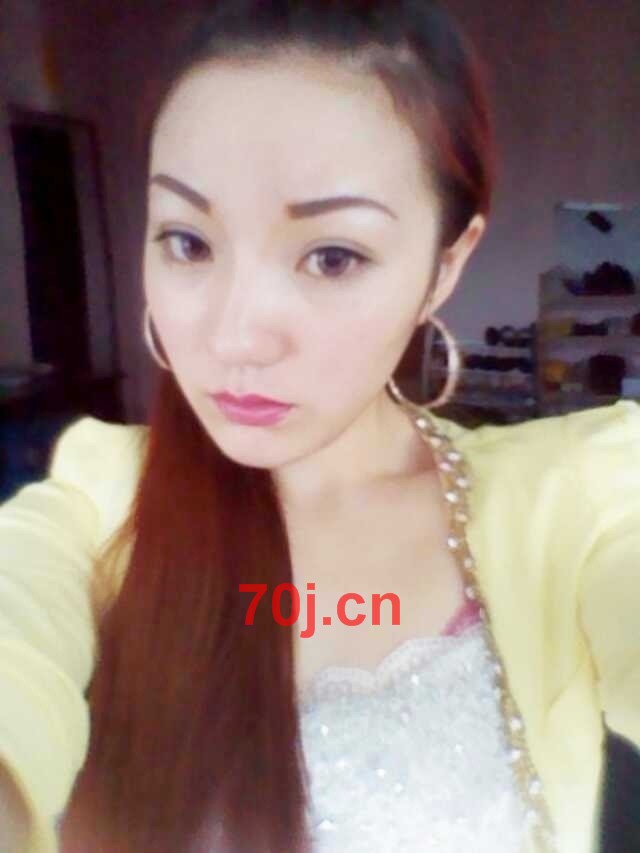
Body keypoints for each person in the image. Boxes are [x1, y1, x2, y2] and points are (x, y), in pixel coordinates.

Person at [0, 1, 638, 851]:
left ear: (444, 267)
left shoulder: (578, 494)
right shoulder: (98, 497)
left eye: (333, 257)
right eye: (188, 242)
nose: (236, 337)